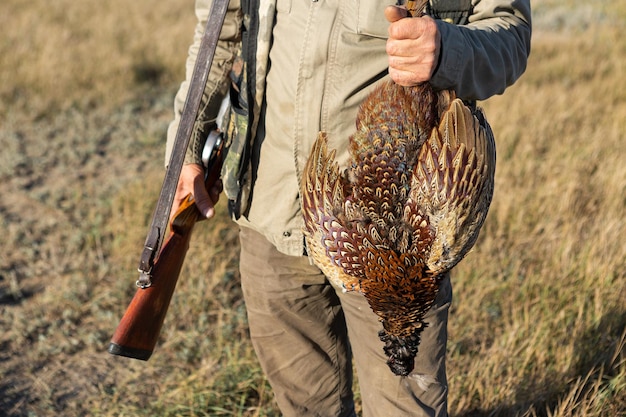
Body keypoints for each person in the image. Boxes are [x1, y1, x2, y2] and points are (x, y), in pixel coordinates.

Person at [165, 0, 531, 415]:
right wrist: (187, 146)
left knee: (404, 408)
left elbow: (511, 37)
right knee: (305, 406)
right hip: (269, 216)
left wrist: (446, 50)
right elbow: (220, 32)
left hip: (399, 246)